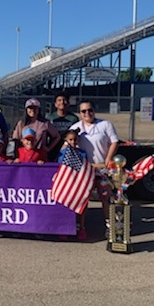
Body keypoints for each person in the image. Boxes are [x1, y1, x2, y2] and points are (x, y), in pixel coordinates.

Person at [69, 100, 119, 237]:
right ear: (80, 113)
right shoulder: (76, 127)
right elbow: (67, 144)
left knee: (106, 198)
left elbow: (114, 141)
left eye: (89, 110)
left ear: (94, 110)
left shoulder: (105, 124)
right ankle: (81, 227)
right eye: (83, 111)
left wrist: (109, 158)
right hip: (84, 171)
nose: (87, 113)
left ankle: (110, 225)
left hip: (103, 169)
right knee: (83, 199)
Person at [57, 128, 88, 241]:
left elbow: (85, 168)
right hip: (67, 182)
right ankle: (65, 228)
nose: (73, 142)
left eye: (75, 140)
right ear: (66, 140)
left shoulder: (82, 153)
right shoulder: (63, 152)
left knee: (81, 206)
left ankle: (81, 227)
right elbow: (60, 166)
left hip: (79, 182)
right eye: (70, 140)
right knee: (66, 205)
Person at [46, 92, 79, 161]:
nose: (62, 102)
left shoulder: (73, 118)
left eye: (64, 100)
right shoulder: (49, 117)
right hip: (52, 148)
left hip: (68, 149)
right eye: (59, 100)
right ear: (55, 104)